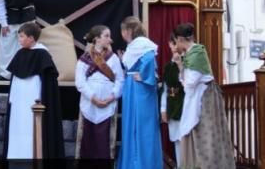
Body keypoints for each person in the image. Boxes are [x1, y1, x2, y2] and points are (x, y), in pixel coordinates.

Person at [174, 22, 234, 169]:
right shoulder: (189, 55)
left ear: (181, 39)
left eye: (176, 41)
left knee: (207, 136)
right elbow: (185, 81)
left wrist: (181, 69)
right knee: (195, 135)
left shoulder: (197, 54)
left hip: (205, 100)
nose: (176, 45)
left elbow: (189, 83)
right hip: (196, 96)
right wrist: (181, 67)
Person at [5, 21, 64, 160]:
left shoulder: (43, 54)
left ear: (31, 38)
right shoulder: (20, 53)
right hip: (19, 99)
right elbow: (15, 77)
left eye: (21, 36)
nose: (19, 40)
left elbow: (49, 82)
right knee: (18, 125)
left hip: (34, 96)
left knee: (32, 126)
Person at [116, 16, 163, 169]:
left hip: (140, 90)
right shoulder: (135, 45)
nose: (122, 34)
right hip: (134, 87)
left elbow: (150, 60)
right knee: (133, 124)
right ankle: (133, 162)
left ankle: (141, 164)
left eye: (123, 30)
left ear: (128, 30)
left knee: (141, 125)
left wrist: (144, 74)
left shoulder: (142, 44)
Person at [75, 25, 124, 167]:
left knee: (105, 143)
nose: (111, 39)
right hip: (89, 106)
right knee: (87, 142)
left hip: (108, 107)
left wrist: (111, 97)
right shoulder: (84, 59)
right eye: (106, 36)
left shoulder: (113, 58)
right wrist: (93, 98)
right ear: (97, 39)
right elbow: (80, 82)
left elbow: (120, 80)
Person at [160, 33, 185, 167]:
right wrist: (163, 109)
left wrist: (180, 64)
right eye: (171, 45)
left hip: (185, 104)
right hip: (172, 105)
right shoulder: (168, 67)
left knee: (185, 140)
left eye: (175, 44)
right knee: (176, 139)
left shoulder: (188, 63)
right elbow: (165, 89)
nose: (173, 48)